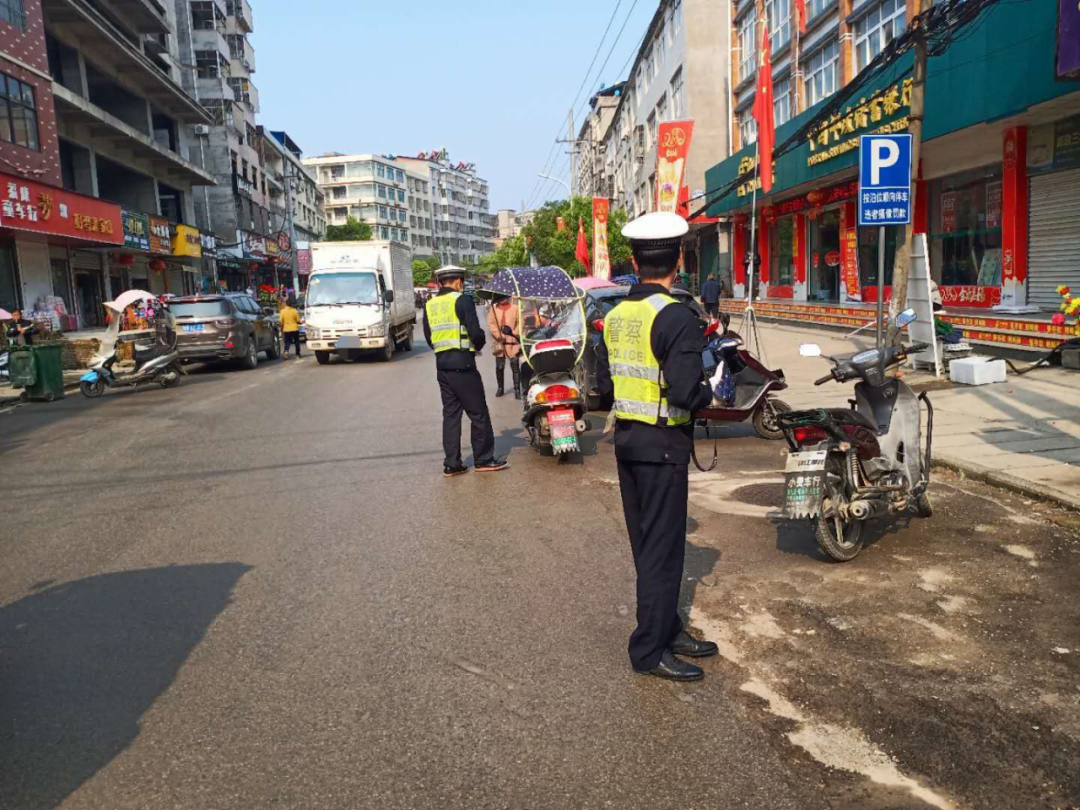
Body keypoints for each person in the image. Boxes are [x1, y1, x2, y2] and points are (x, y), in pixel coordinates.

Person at [596, 211, 724, 683]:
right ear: (679, 261)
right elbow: (688, 392)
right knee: (662, 552)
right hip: (664, 446)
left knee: (647, 545)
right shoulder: (676, 317)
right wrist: (712, 392)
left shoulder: (616, 314)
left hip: (629, 442)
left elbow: (616, 381)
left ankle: (667, 628)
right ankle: (648, 650)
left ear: (633, 260)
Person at [423, 265, 509, 477]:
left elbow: (429, 336)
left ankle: (452, 464)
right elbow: (475, 333)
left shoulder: (430, 304)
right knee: (478, 412)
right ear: (459, 282)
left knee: (451, 415)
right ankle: (483, 459)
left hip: (442, 365)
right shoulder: (462, 300)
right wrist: (476, 345)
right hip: (463, 365)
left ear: (441, 282)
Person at [487, 294, 521, 399]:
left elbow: (521, 323)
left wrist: (514, 333)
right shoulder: (493, 308)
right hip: (499, 343)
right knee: (499, 367)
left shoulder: (516, 308)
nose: (503, 299)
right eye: (501, 297)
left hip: (513, 342)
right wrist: (498, 335)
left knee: (515, 367)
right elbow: (490, 323)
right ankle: (500, 388)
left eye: (505, 297)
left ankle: (517, 389)